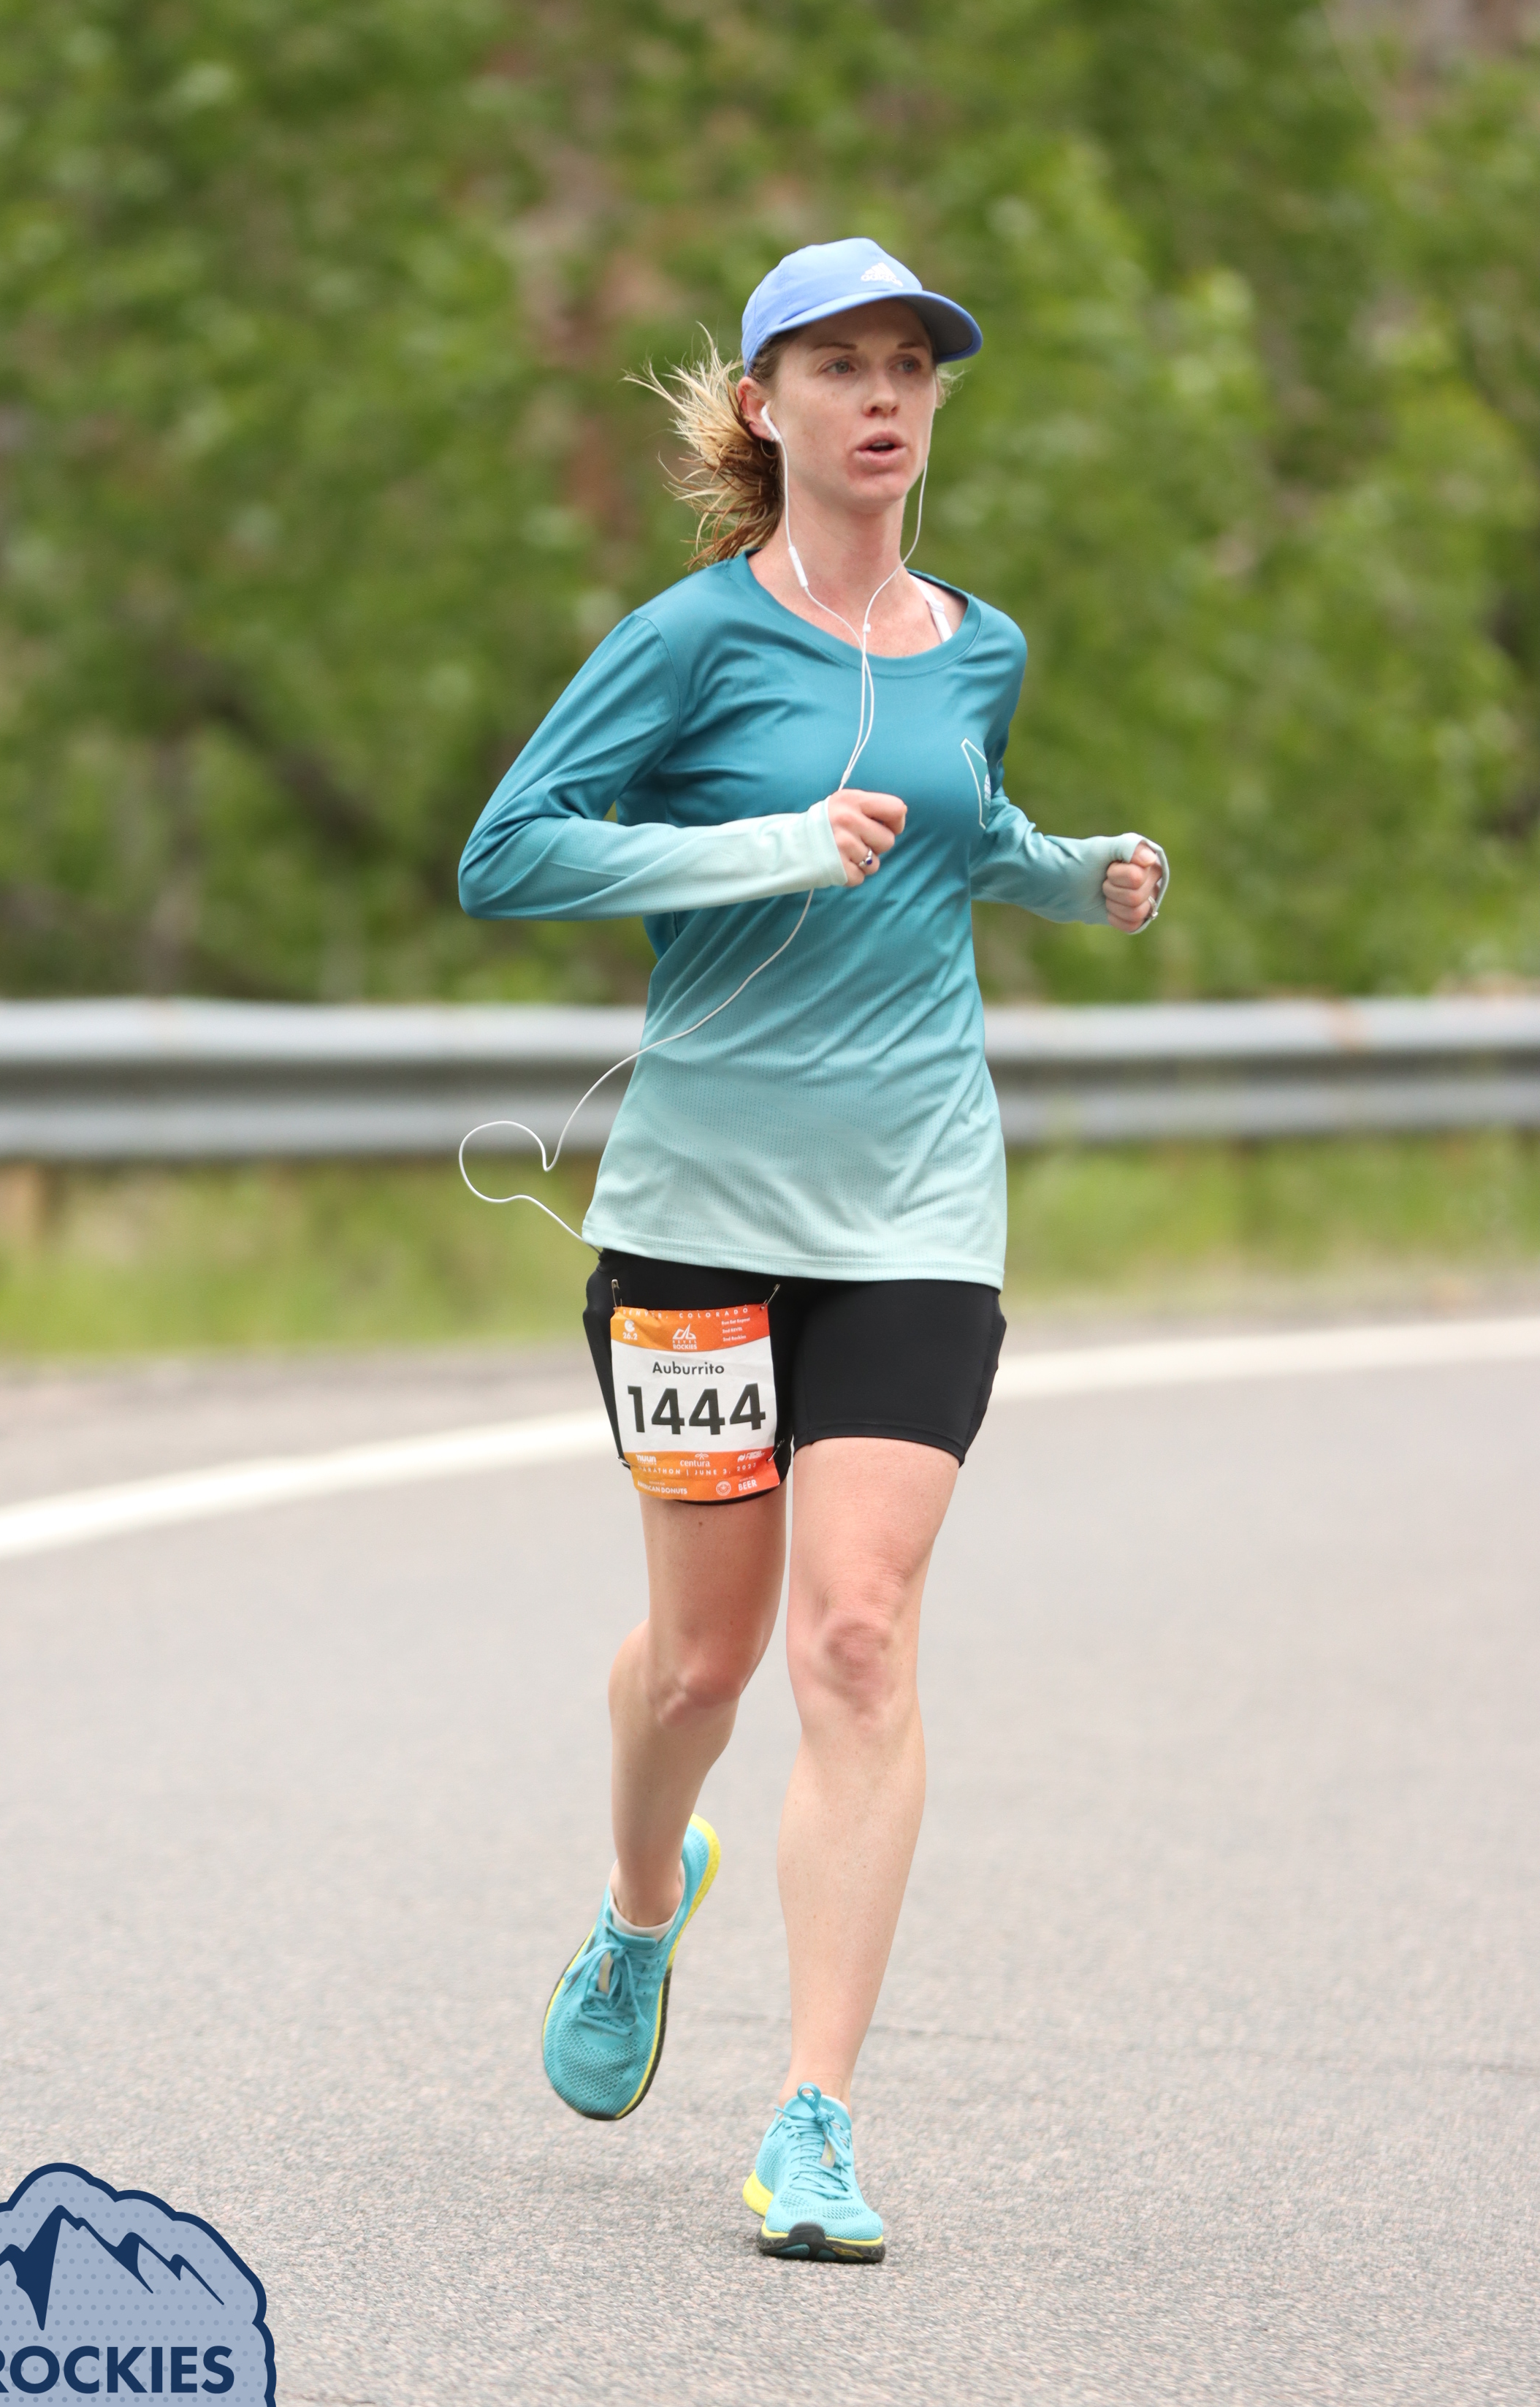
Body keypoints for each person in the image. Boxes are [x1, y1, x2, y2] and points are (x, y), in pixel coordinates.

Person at [459, 237, 1165, 2262]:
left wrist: (1074, 874)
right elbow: (507, 854)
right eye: (840, 366)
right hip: (696, 1218)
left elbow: (960, 824)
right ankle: (639, 1908)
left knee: (856, 1634)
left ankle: (816, 2122)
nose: (883, 398)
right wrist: (761, 845)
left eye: (911, 367)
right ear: (765, 408)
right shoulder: (689, 641)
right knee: (704, 1658)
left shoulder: (978, 645)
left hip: (918, 1203)